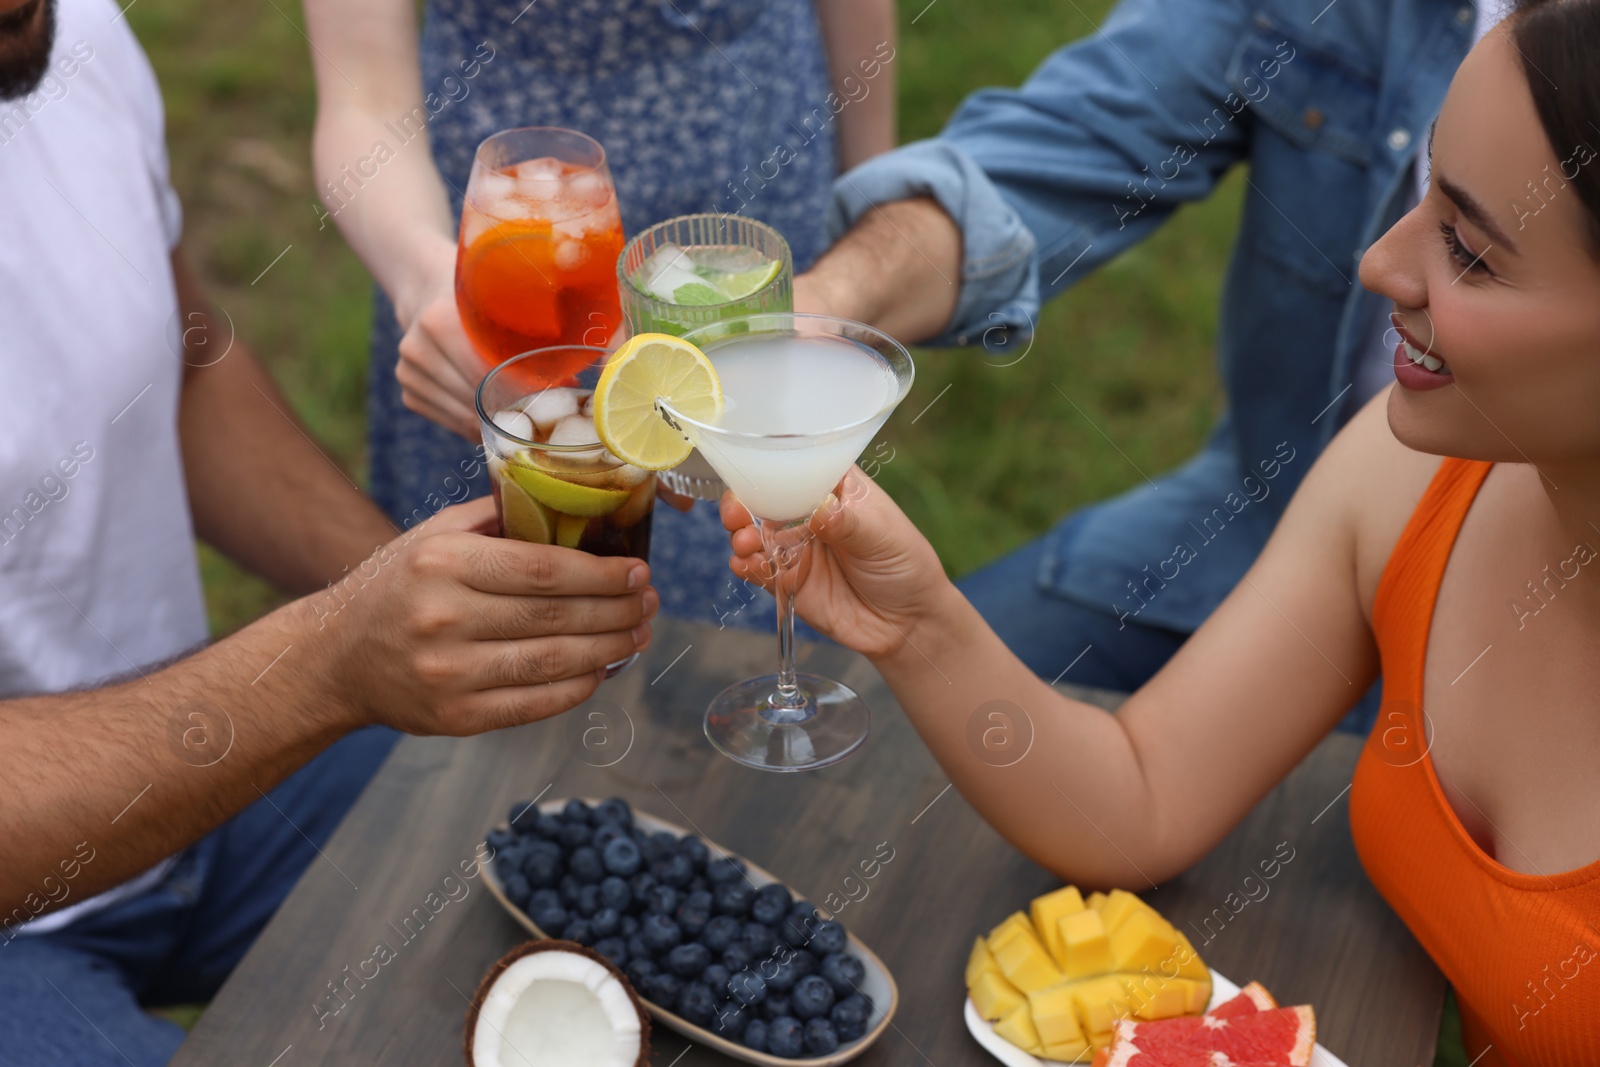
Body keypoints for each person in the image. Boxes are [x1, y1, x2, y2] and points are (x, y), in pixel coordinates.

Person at [728, 3, 1600, 1061]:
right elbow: (1140, 797)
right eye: (1423, 199)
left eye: (1467, 251)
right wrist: (918, 622)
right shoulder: (1408, 474)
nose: (1378, 263)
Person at [0, 1, 655, 1061]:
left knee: (621, 892)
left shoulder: (58, 31)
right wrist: (328, 662)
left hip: (205, 770)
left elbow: (181, 368)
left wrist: (416, 590)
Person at [796, 0, 1509, 727]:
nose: (1377, 264)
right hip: (1262, 513)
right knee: (877, 721)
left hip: (1505, 617)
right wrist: (830, 297)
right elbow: (1087, 131)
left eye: (1473, 251)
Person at [304, 0, 895, 631]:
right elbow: (357, 98)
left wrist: (873, 204)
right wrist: (422, 279)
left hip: (752, 171)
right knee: (510, 598)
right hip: (498, 224)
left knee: (758, 532)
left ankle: (756, 696)